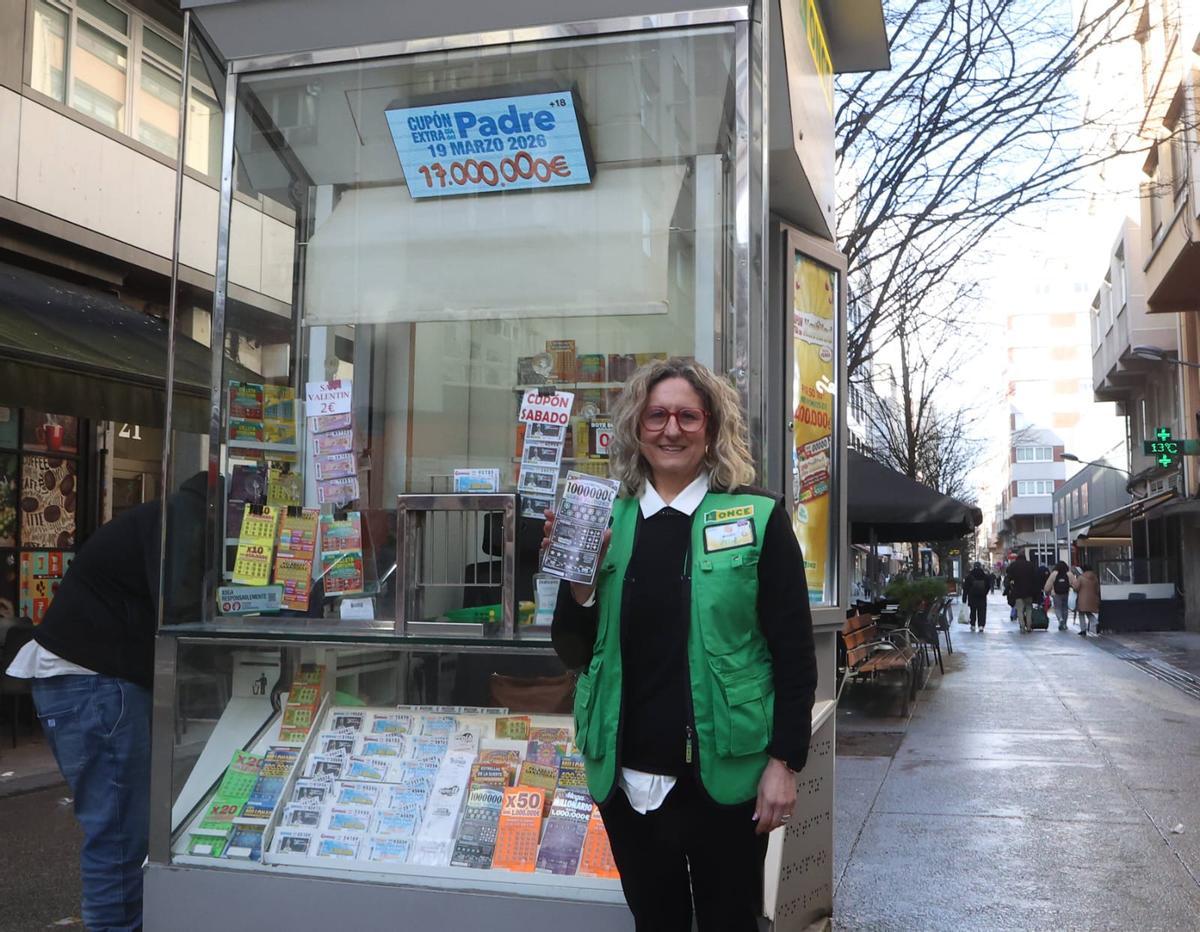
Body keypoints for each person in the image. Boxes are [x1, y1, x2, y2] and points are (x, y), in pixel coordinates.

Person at [550, 357, 817, 931]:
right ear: (636, 427)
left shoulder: (758, 516)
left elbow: (794, 653)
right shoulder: (605, 519)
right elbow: (572, 652)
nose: (672, 430)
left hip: (725, 779)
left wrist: (785, 762)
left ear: (712, 429)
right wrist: (580, 589)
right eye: (657, 415)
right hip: (626, 781)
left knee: (732, 924)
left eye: (688, 416)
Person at [5, 473, 204, 932]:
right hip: (93, 681)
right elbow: (180, 609)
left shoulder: (164, 517)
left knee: (120, 829)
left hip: (81, 678)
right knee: (119, 834)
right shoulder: (184, 522)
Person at [1004, 551, 1039, 633]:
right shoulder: (1031, 565)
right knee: (1029, 609)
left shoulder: (1013, 565)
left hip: (1017, 592)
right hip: (1029, 592)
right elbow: (1035, 578)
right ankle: (1029, 626)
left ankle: (1022, 626)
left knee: (1019, 610)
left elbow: (1008, 576)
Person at [1070, 564, 1101, 636]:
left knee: (1081, 613)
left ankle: (1083, 630)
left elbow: (1076, 588)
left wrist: (1073, 585)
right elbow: (1097, 589)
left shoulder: (1081, 577)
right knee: (1088, 612)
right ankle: (1095, 622)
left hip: (1083, 599)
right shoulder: (1095, 577)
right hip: (1093, 598)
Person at [962, 562, 991, 632]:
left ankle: (973, 625)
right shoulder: (984, 576)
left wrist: (964, 598)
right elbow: (988, 586)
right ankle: (981, 625)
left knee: (973, 611)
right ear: (980, 567)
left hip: (972, 597)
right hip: (982, 597)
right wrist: (985, 593)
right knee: (982, 611)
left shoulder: (969, 576)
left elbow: (965, 587)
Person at [1044, 560, 1072, 631]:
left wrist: (1046, 591)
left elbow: (1048, 584)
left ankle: (1060, 619)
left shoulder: (1054, 574)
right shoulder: (1068, 573)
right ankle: (1065, 624)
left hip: (1056, 593)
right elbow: (1074, 583)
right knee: (1065, 608)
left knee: (1057, 608)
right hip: (1066, 593)